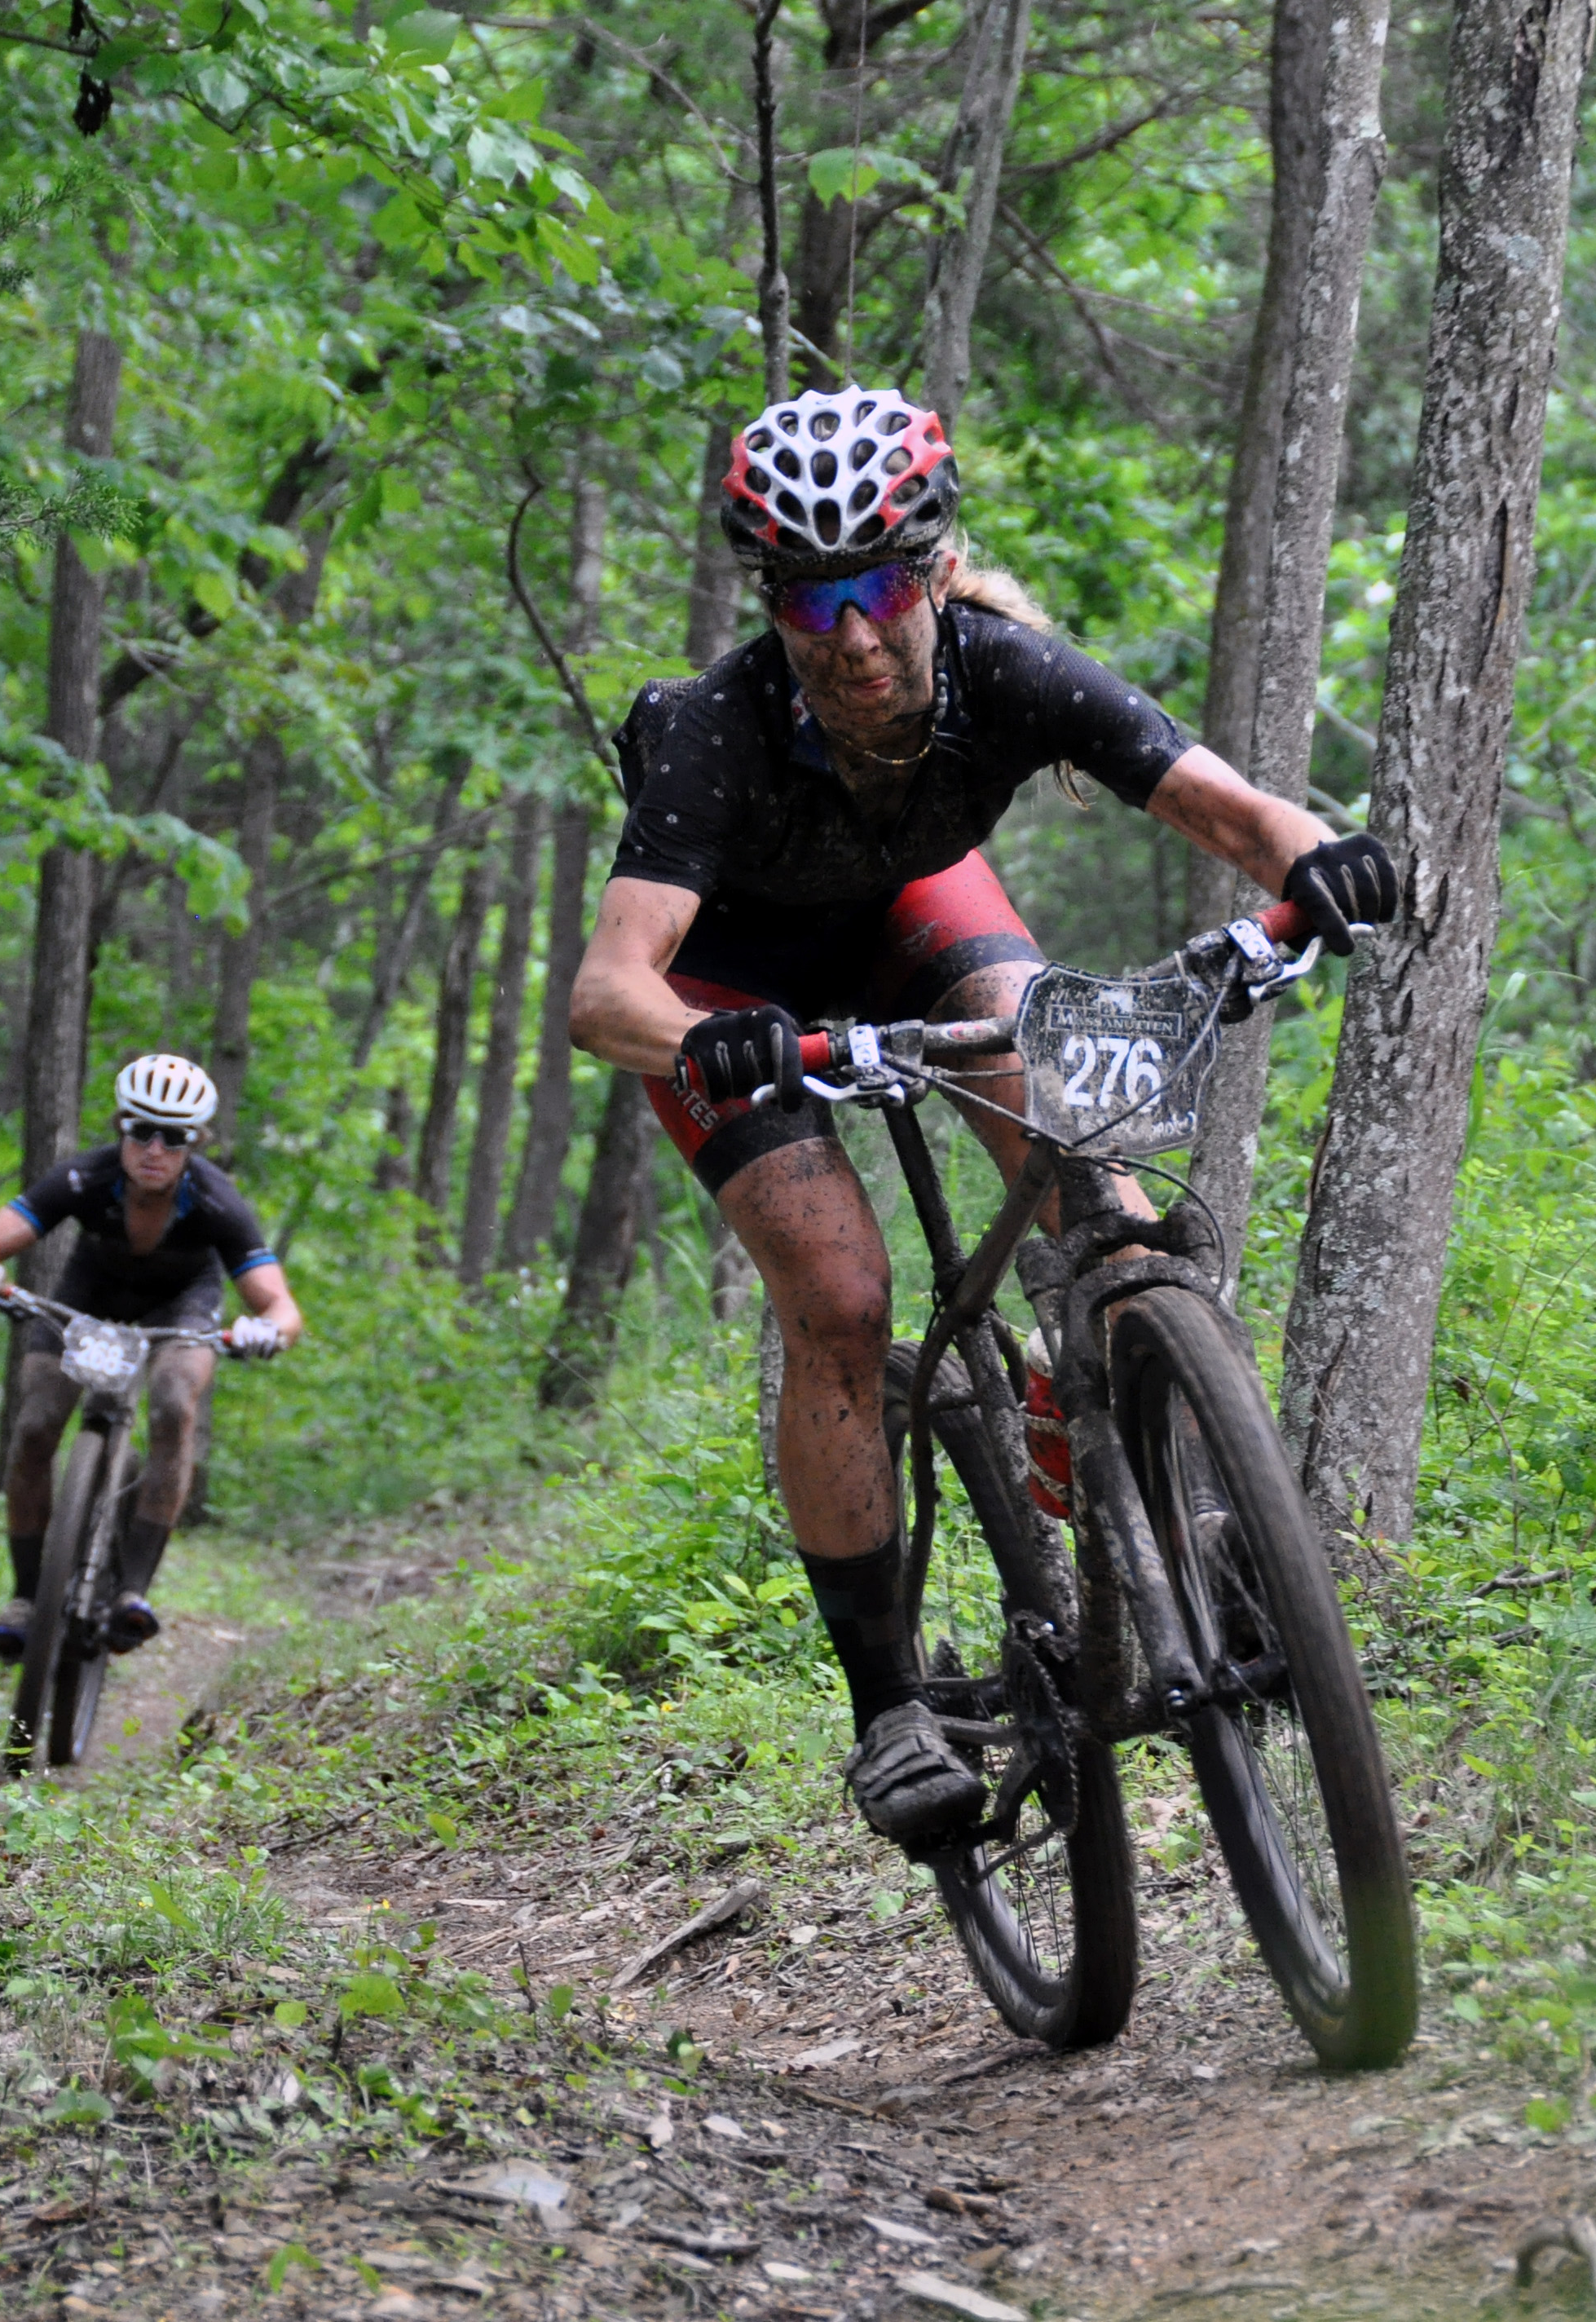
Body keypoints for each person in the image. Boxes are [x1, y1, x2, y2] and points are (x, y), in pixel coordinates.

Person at [564, 386, 1400, 1851]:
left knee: (1091, 1160)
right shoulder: (712, 730)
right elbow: (606, 991)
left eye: (882, 584)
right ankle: (887, 1704)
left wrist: (1316, 859)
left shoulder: (1007, 672)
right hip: (732, 987)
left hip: (909, 921)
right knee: (839, 1292)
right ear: (772, 602)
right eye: (813, 599)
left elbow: (1229, 809)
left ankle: (1181, 1501)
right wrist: (720, 1039)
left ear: (936, 570)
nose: (853, 634)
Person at [0, 1054, 305, 1664]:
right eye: (142, 1131)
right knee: (35, 1426)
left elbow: (281, 1305)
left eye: (175, 1137)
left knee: (173, 1403)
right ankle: (27, 1597)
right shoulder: (85, 1179)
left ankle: (132, 1591)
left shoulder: (217, 1201)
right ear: (121, 1128)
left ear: (196, 1143)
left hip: (181, 1304)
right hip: (88, 1297)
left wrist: (265, 1330)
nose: (155, 1149)